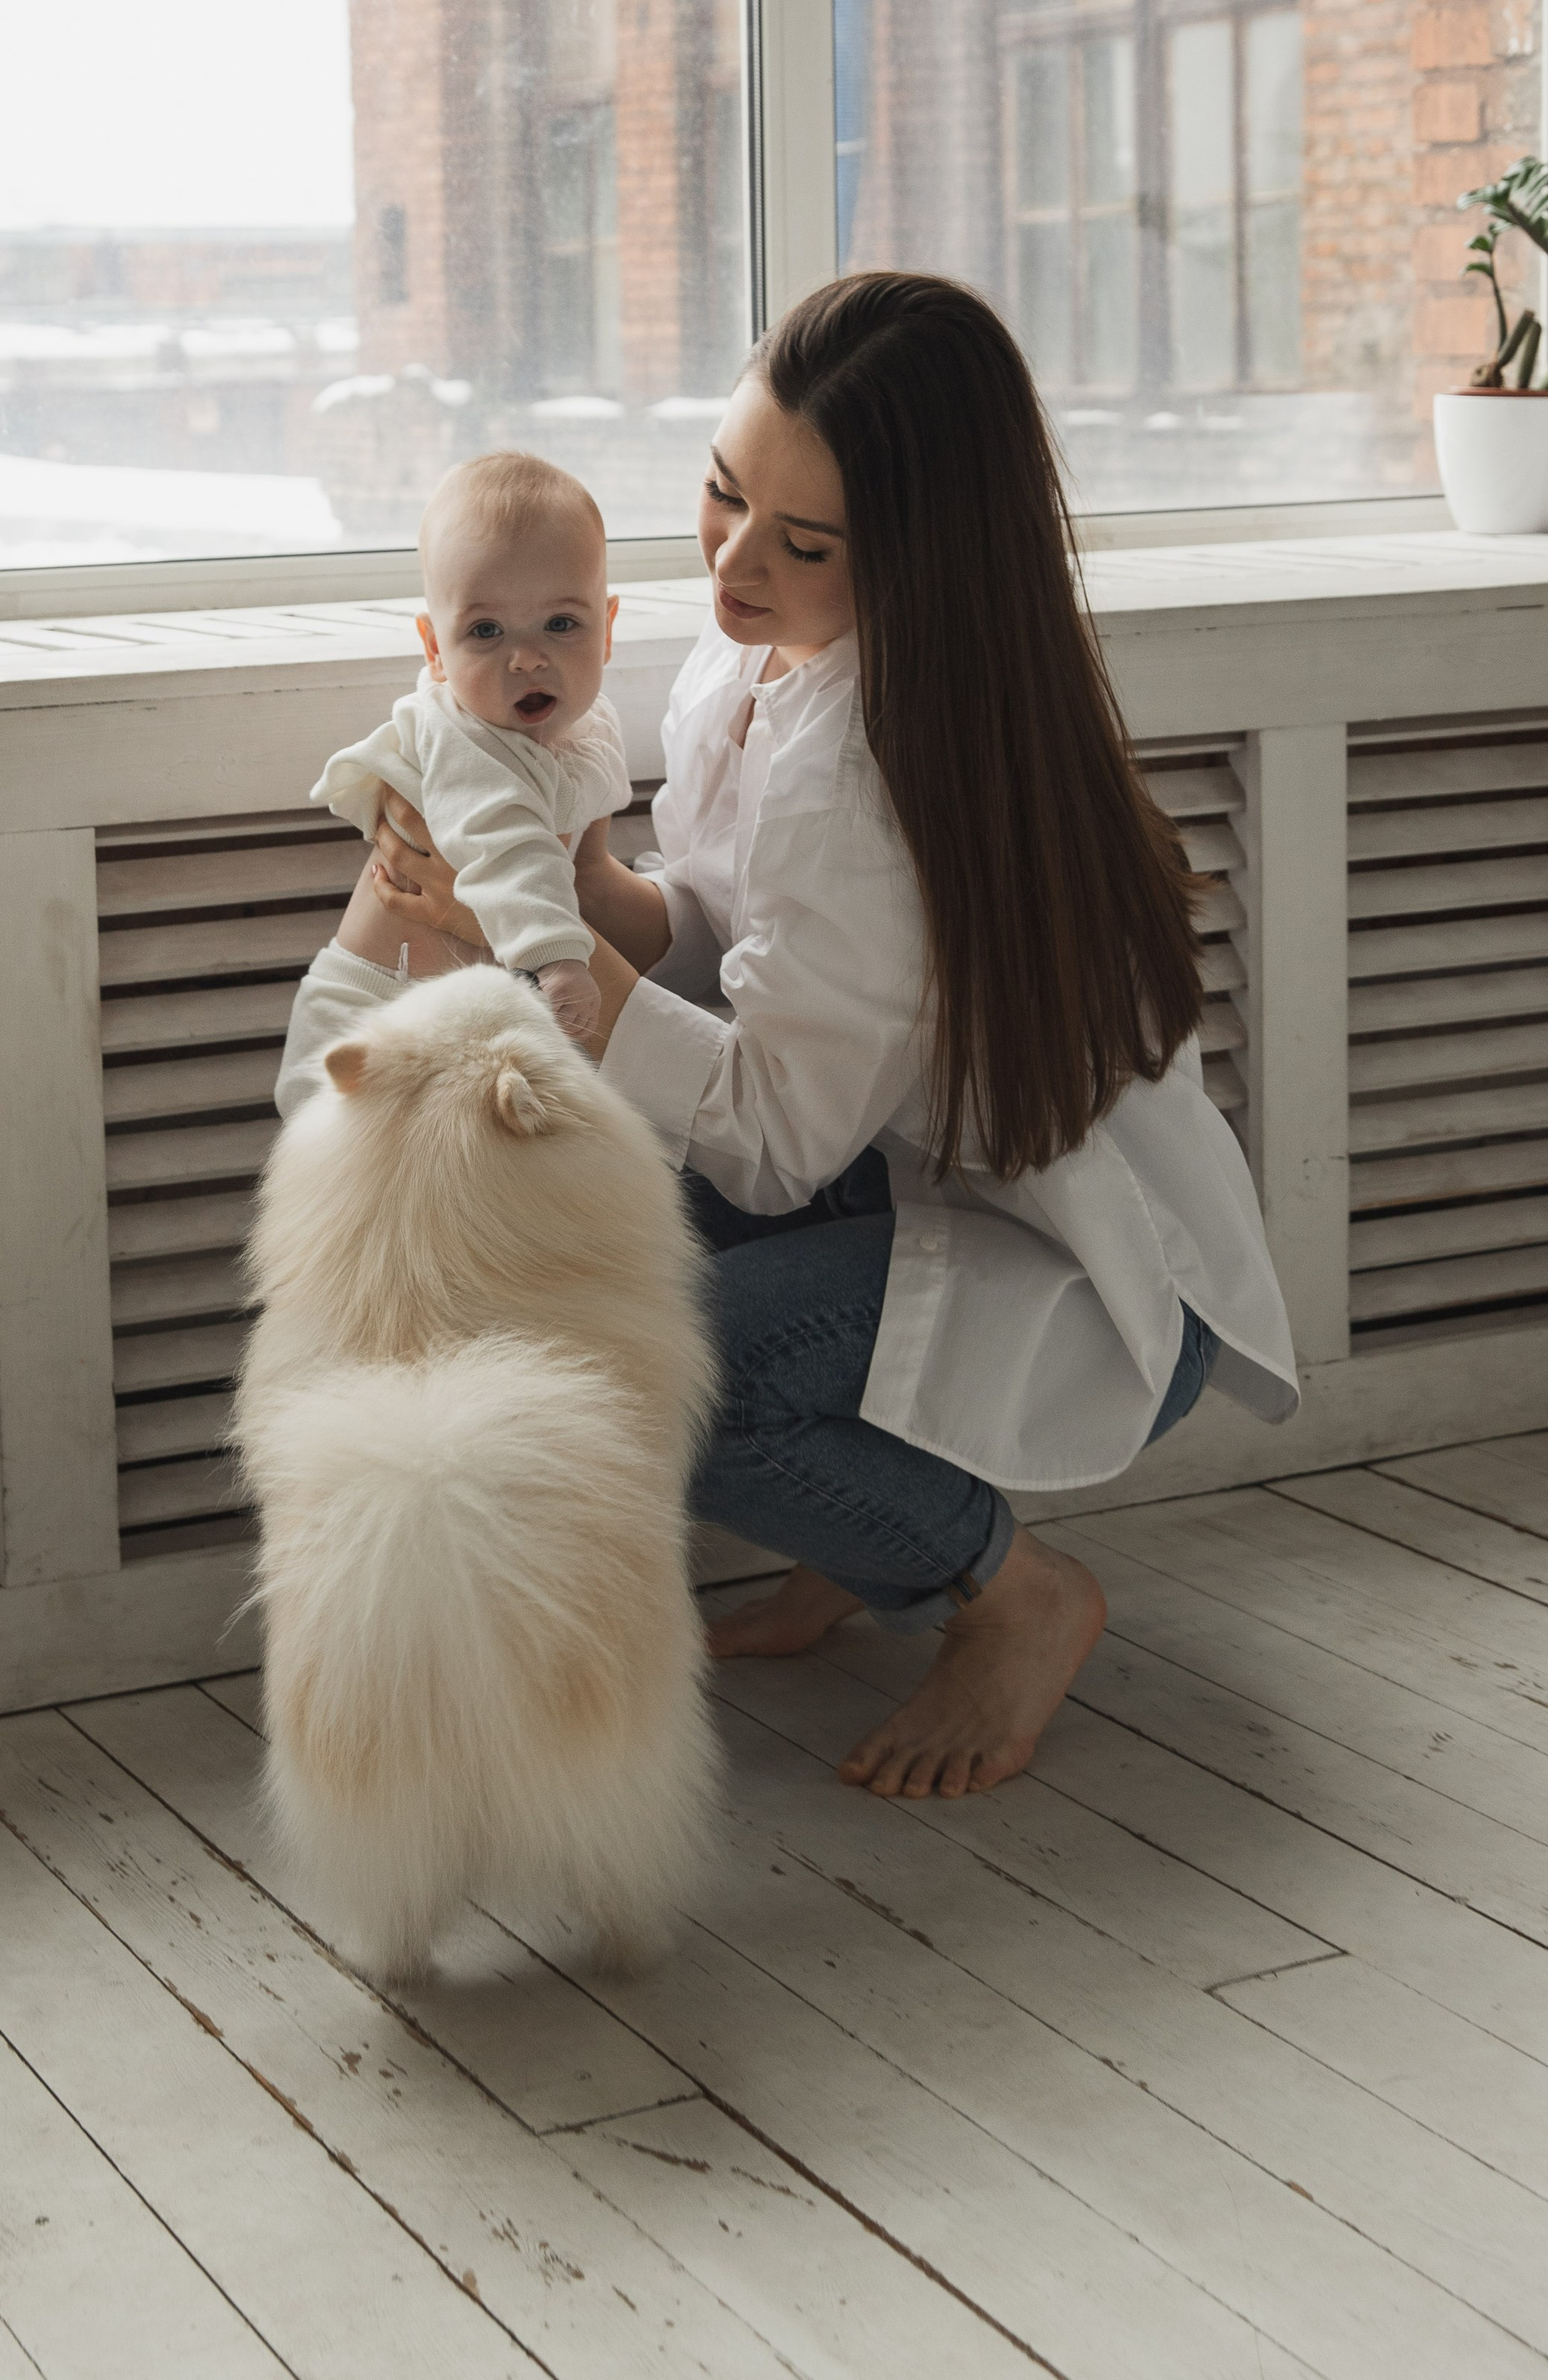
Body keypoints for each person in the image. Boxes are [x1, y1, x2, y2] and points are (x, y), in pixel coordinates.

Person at [317, 273, 1298, 1803]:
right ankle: (860, 1535)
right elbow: (727, 934)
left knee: (660, 1377)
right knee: (581, 1266)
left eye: (803, 542)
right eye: (720, 494)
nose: (735, 561)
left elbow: (774, 1138)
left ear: (915, 556)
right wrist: (574, 876)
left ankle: (1009, 1590)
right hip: (887, 1161)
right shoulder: (753, 660)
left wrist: (556, 948)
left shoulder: (877, 760)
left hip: (1075, 1254)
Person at [290, 451, 629, 1057]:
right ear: (435, 649)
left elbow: (581, 860)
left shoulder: (586, 728)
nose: (526, 657)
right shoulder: (457, 735)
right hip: (372, 1013)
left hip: (466, 1010)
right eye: (486, 631)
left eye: (560, 623)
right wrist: (557, 958)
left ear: (608, 629)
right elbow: (506, 842)